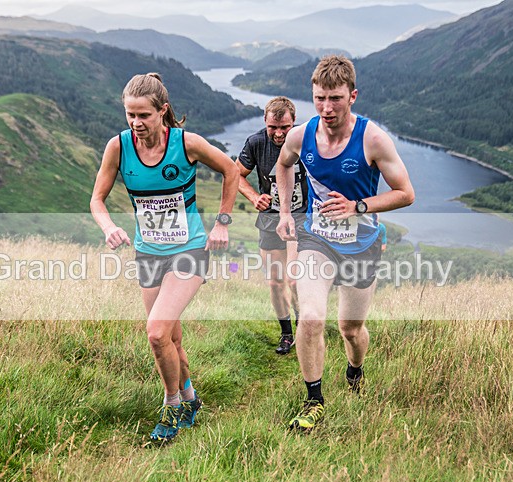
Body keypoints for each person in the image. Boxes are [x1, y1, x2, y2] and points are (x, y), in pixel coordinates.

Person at [90, 73, 240, 442]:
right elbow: (97, 200)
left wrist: (222, 223)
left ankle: (172, 407)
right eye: (130, 115)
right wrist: (108, 226)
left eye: (144, 115)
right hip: (148, 253)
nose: (137, 124)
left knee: (156, 333)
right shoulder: (119, 147)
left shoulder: (186, 143)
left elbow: (230, 170)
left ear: (163, 112)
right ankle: (190, 398)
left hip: (189, 250)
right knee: (170, 339)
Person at [275, 55, 415, 431]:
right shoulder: (301, 135)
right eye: (319, 98)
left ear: (352, 95)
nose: (326, 107)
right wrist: (286, 213)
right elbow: (283, 165)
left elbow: (406, 193)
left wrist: (358, 205)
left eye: (335, 98)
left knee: (350, 328)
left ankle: (355, 370)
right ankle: (314, 400)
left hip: (361, 243)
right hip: (315, 240)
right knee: (312, 319)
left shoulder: (372, 138)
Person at [237, 96, 308, 355]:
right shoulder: (256, 143)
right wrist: (255, 197)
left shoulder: (305, 140)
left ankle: (305, 325)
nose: (278, 134)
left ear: (294, 123)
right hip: (270, 219)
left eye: (284, 128)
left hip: (301, 217)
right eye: (273, 128)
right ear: (265, 122)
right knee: (275, 282)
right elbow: (237, 175)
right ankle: (286, 334)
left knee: (293, 279)